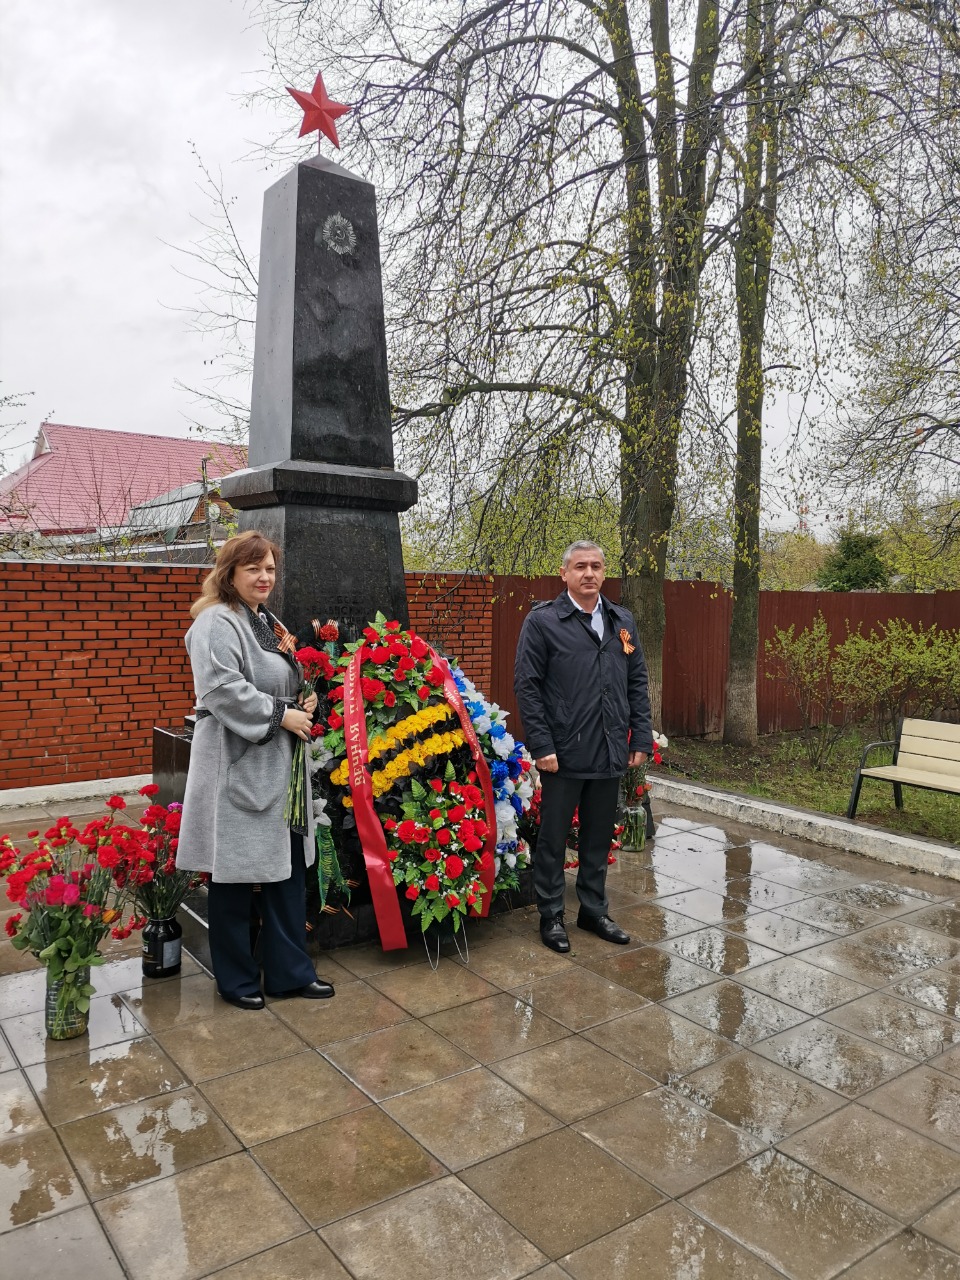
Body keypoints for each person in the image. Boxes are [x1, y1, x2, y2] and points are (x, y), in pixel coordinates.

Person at [176, 530, 335, 1009]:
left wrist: (304, 696)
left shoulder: (267, 621)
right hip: (238, 763)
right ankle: (237, 980)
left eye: (269, 568)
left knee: (285, 869)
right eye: (253, 568)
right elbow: (222, 690)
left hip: (279, 767)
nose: (264, 576)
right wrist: (280, 715)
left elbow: (283, 675)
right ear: (230, 572)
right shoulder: (216, 623)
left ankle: (289, 973)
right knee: (235, 876)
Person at [514, 541, 653, 953]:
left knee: (597, 837)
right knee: (554, 838)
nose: (588, 573)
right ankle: (552, 914)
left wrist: (640, 737)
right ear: (564, 574)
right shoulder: (543, 622)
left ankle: (593, 910)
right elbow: (528, 686)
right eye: (580, 567)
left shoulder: (620, 621)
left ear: (604, 573)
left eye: (595, 566)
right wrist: (541, 745)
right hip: (563, 751)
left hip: (610, 748)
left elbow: (637, 683)